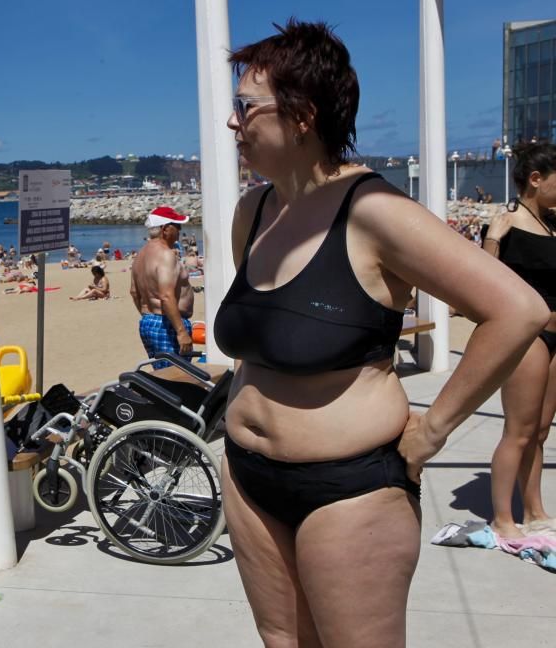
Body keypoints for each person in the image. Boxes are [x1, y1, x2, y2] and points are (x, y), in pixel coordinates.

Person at [214, 20, 548, 647]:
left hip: (351, 488)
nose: (234, 122)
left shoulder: (373, 211)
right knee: (282, 642)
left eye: (245, 106)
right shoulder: (252, 212)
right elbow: (263, 339)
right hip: (247, 476)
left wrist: (433, 431)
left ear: (303, 114)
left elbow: (517, 310)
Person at [481, 141, 556, 537]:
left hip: (554, 339)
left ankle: (534, 509)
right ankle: (502, 519)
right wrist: (492, 238)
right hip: (529, 337)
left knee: (541, 430)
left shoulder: (551, 223)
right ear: (535, 179)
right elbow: (482, 283)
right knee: (519, 430)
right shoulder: (506, 224)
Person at [129, 205, 194, 368]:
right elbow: (166, 296)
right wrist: (180, 331)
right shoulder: (166, 255)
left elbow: (134, 292)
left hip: (149, 322)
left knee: (162, 375)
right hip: (167, 323)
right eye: (177, 226)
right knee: (177, 378)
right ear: (165, 229)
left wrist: (149, 315)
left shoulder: (140, 255)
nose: (179, 231)